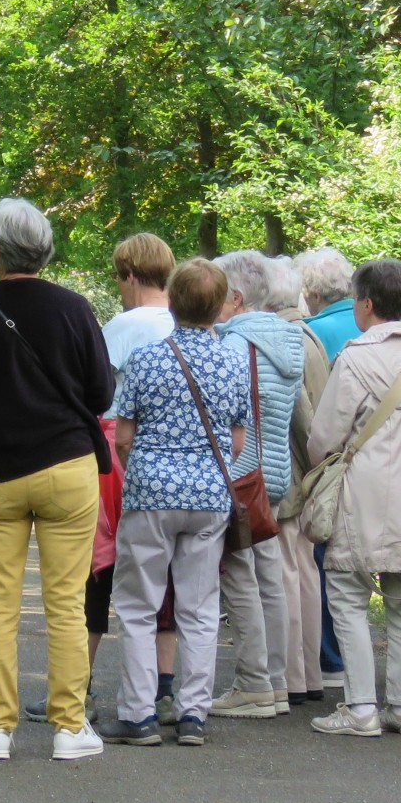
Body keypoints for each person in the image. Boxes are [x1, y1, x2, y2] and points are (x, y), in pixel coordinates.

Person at [0, 199, 114, 763]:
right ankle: (69, 729)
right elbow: (102, 395)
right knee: (66, 603)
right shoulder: (74, 308)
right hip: (67, 468)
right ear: (43, 251)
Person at [98, 258, 250, 750]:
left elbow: (122, 437)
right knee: (200, 608)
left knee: (139, 606)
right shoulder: (234, 360)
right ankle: (193, 715)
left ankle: (139, 715)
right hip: (209, 499)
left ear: (176, 301)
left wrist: (147, 466)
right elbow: (238, 439)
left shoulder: (145, 359)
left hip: (150, 498)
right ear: (219, 305)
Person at [25, 231, 174, 724]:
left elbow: (94, 391)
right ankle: (165, 688)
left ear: (130, 275)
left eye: (119, 277)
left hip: (115, 454)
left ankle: (77, 687)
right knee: (164, 574)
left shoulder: (122, 326)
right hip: (174, 459)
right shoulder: (184, 321)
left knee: (96, 572)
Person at [308, 257, 401, 737]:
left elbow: (325, 436)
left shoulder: (353, 358)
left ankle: (361, 707)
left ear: (365, 303)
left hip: (360, 494)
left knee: (347, 596)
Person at [208, 251, 302, 720]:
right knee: (270, 577)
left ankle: (252, 684)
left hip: (241, 476)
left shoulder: (232, 345)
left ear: (236, 297)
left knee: (240, 576)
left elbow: (227, 418)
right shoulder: (289, 340)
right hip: (274, 472)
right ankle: (277, 683)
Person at [298, 246, 360, 689]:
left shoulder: (312, 334)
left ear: (313, 291)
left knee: (320, 557)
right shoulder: (383, 327)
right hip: (385, 464)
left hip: (331, 466)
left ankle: (331, 658)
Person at [269, 255, 330, 707]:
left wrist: (312, 474)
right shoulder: (309, 335)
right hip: (309, 474)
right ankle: (307, 674)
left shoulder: (288, 339)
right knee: (305, 572)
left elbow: (307, 422)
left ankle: (292, 675)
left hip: (293, 475)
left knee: (288, 571)